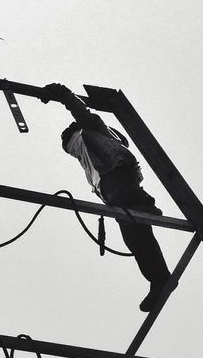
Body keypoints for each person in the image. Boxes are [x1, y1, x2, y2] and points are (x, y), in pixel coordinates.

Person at [41, 82, 170, 312]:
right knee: (136, 240)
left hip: (119, 181)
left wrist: (62, 93)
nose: (72, 153)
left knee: (136, 226)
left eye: (70, 147)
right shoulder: (87, 155)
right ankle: (158, 279)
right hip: (115, 192)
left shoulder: (90, 130)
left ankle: (146, 208)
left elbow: (81, 111)